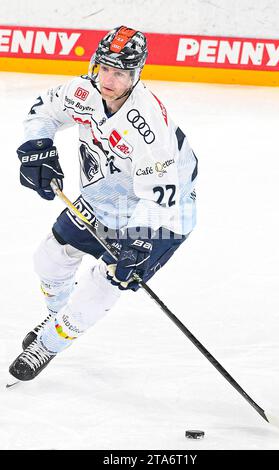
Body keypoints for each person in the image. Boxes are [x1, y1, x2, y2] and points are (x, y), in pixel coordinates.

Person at [8, 26, 198, 382]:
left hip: (163, 213)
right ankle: (57, 313)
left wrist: (141, 239)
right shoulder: (83, 90)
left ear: (137, 74)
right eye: (105, 68)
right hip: (107, 196)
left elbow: (163, 193)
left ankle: (48, 344)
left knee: (105, 281)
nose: (109, 80)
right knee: (48, 259)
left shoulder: (148, 126)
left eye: (121, 73)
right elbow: (43, 111)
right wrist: (37, 148)